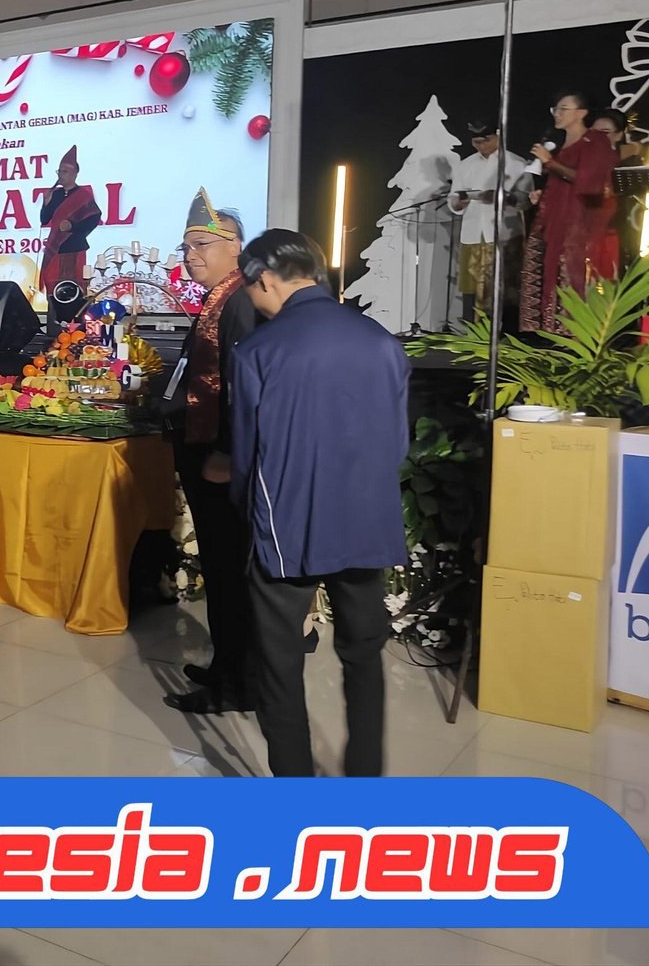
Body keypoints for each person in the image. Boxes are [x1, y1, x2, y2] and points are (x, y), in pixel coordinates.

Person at [231, 229, 410, 777]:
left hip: (286, 529)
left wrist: (245, 516)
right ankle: (364, 780)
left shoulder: (258, 351)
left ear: (265, 280)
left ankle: (295, 789)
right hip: (365, 523)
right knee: (363, 654)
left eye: (249, 289)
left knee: (280, 661)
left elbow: (247, 454)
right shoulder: (382, 343)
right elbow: (397, 445)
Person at [160, 190, 257, 715]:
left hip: (223, 463)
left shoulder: (240, 302)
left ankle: (239, 684)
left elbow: (243, 390)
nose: (190, 255)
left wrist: (224, 452)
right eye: (185, 246)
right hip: (205, 453)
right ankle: (226, 667)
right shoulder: (217, 299)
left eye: (201, 244)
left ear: (235, 246)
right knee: (220, 568)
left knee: (230, 569)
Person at [522, 89, 620, 331]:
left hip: (577, 223)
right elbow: (560, 181)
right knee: (543, 269)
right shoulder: (558, 144)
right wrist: (542, 193)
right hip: (551, 218)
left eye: (563, 108)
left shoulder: (595, 141)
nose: (557, 113)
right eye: (555, 109)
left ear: (581, 113)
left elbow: (588, 180)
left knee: (571, 274)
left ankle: (570, 332)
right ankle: (546, 330)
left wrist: (550, 162)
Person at [449, 119, 533, 322]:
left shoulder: (516, 163)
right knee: (471, 288)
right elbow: (453, 197)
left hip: (504, 234)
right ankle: (473, 331)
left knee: (506, 286)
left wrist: (501, 198)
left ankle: (506, 332)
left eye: (485, 140)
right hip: (473, 232)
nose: (481, 146)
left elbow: (526, 200)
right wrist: (458, 203)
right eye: (476, 142)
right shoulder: (465, 165)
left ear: (498, 136)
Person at [38, 145, 102, 292]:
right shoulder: (55, 194)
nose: (60, 175)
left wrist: (72, 226)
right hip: (55, 249)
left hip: (74, 248)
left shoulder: (83, 195)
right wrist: (46, 203)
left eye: (64, 171)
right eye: (59, 171)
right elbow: (44, 220)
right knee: (52, 288)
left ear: (74, 174)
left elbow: (94, 220)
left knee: (73, 289)